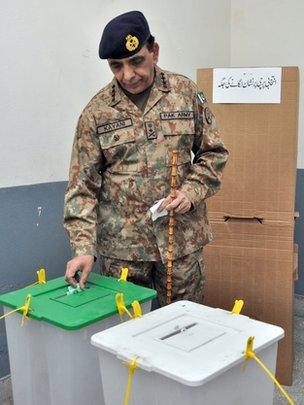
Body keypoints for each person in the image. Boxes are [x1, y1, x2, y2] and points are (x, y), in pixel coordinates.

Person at [63, 10, 228, 306]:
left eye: (136, 60)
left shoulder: (184, 93)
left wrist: (191, 192)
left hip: (181, 243)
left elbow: (213, 154)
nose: (128, 75)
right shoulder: (96, 113)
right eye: (116, 66)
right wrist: (83, 247)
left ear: (154, 51)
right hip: (123, 253)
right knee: (127, 336)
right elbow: (81, 189)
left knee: (182, 329)